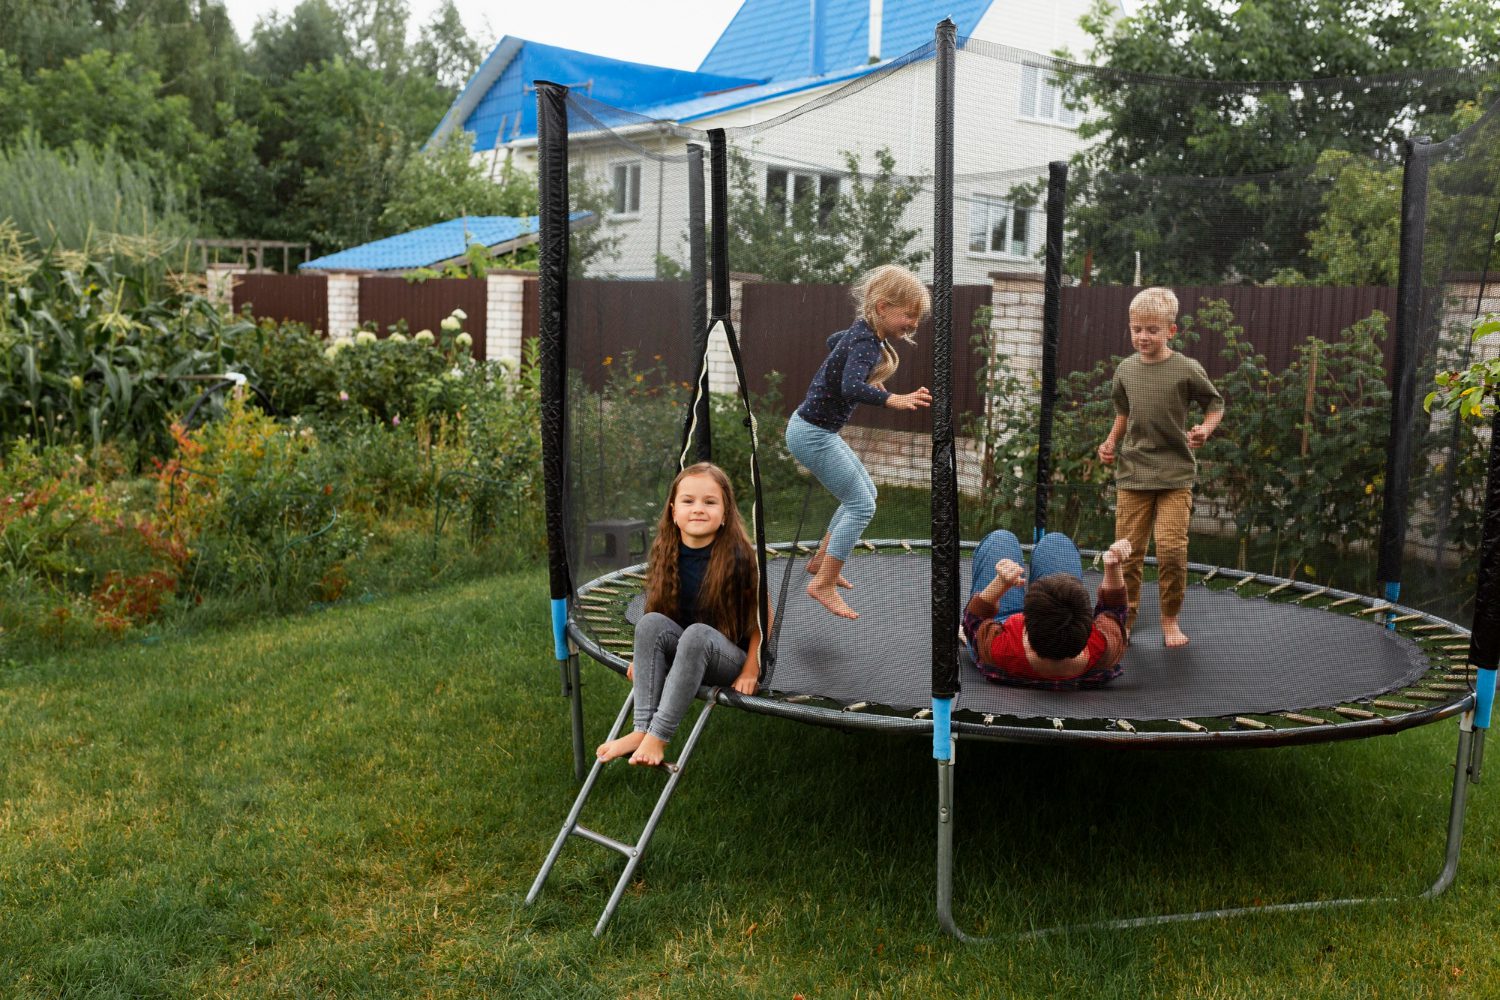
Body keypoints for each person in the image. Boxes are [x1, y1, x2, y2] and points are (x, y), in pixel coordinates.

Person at [785, 264, 932, 619]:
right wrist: (890, 398)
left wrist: (860, 371)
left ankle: (823, 560)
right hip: (813, 435)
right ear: (882, 307)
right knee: (861, 505)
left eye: (917, 317)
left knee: (867, 493)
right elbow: (849, 387)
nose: (913, 324)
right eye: (909, 315)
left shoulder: (861, 334)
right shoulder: (866, 341)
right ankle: (824, 583)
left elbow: (833, 343)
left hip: (812, 430)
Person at [596, 463, 762, 767]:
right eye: (688, 501)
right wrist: (645, 657)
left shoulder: (737, 558)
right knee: (649, 622)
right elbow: (659, 612)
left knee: (697, 634)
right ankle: (641, 730)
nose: (698, 509)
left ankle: (658, 737)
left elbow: (762, 620)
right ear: (673, 511)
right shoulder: (666, 550)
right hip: (684, 651)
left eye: (709, 502)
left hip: (725, 658)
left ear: (725, 514)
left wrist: (750, 670)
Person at [1096, 287, 1225, 649]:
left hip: (1174, 475)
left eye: (1152, 330)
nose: (1143, 337)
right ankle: (1124, 620)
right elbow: (1124, 414)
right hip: (1134, 474)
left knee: (1170, 550)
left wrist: (1204, 429)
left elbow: (1215, 405)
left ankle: (1170, 619)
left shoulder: (1185, 369)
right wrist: (1110, 443)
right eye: (1137, 329)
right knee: (1128, 553)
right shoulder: (1126, 370)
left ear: (1171, 331)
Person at [963, 529, 1132, 688]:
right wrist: (1113, 566)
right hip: (1044, 636)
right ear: (1088, 627)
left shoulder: (1001, 651)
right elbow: (1114, 613)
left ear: (1024, 623)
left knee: (1000, 539)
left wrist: (1000, 583)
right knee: (1056, 542)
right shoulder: (1102, 649)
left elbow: (974, 620)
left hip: (1004, 631)